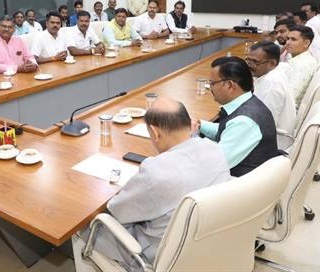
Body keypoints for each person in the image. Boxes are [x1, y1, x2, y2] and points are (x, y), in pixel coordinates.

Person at [83, 98, 230, 268]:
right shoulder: (214, 149)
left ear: (155, 132)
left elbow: (117, 211)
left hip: (160, 255)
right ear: (189, 124)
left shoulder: (156, 172)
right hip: (207, 243)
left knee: (87, 227)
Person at [193, 56, 278, 177]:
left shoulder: (245, 122)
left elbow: (212, 165)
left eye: (212, 83)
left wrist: (193, 137)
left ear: (229, 85)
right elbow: (226, 130)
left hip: (241, 183)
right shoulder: (249, 102)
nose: (210, 87)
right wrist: (199, 124)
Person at [246, 41, 296, 134]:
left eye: (255, 62)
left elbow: (264, 124)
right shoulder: (272, 74)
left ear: (272, 63)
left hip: (272, 138)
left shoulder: (272, 84)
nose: (249, 65)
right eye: (248, 60)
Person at [285, 25, 317, 108]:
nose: (288, 42)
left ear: (306, 43)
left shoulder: (304, 65)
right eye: (288, 39)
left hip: (288, 111)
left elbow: (289, 97)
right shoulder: (298, 58)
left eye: (293, 39)